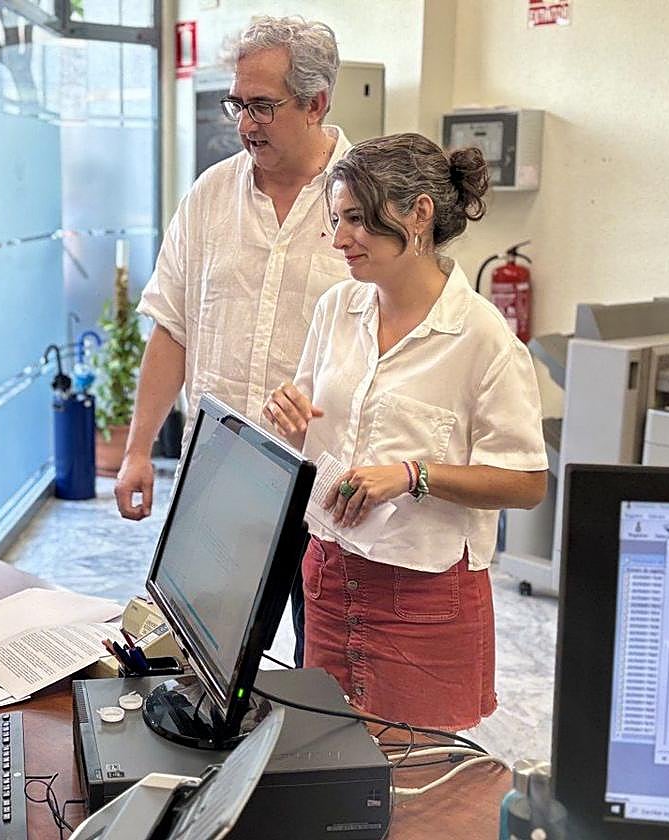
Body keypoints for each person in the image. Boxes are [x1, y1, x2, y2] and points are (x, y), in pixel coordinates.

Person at [263, 133, 548, 731]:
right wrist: (289, 413)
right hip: (328, 572)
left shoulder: (482, 337)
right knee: (330, 764)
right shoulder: (338, 309)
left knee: (422, 789)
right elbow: (313, 422)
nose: (340, 239)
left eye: (359, 221)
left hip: (423, 598)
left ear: (419, 214)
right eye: (337, 220)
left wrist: (415, 476)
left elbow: (525, 483)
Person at [115, 16, 353, 664]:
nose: (245, 123)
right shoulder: (210, 195)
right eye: (238, 103)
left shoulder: (364, 207)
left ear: (316, 104)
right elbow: (172, 326)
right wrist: (138, 449)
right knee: (195, 665)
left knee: (320, 676)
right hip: (216, 477)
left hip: (319, 493)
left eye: (263, 106)